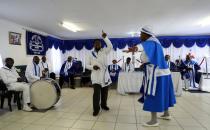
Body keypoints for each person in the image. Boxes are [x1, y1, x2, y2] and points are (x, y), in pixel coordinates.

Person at [137, 26, 176, 127]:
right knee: (165, 93)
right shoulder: (156, 42)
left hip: (156, 74)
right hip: (165, 72)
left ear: (146, 34)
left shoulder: (150, 42)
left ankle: (154, 120)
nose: (140, 35)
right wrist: (144, 63)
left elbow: (142, 46)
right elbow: (151, 57)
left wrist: (134, 48)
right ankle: (166, 114)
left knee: (152, 93)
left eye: (141, 34)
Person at [86, 31, 112, 116]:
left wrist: (105, 38)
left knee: (105, 93)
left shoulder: (104, 51)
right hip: (96, 76)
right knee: (96, 94)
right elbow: (86, 65)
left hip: (105, 76)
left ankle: (104, 105)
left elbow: (110, 46)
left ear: (101, 44)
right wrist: (92, 67)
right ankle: (96, 109)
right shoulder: (89, 54)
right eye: (96, 43)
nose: (98, 45)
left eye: (99, 43)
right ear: (93, 45)